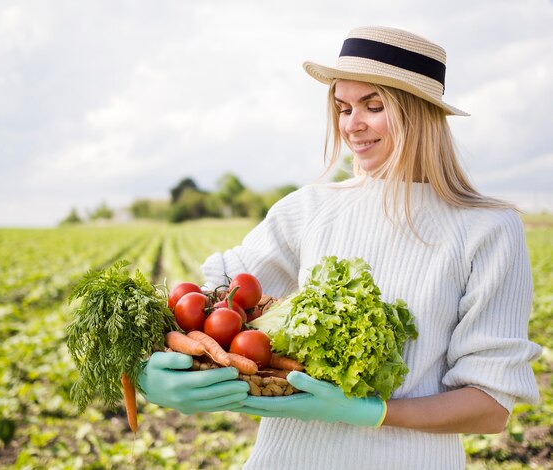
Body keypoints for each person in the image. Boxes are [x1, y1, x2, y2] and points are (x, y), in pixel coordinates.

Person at [139, 26, 542, 469]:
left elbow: (490, 407)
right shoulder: (309, 209)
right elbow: (208, 301)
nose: (352, 124)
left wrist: (372, 413)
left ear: (421, 113)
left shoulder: (487, 229)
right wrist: (148, 366)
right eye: (344, 107)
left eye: (374, 105)